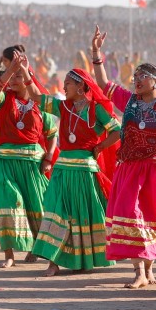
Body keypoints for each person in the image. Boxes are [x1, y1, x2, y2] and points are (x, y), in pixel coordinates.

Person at [90, 26, 156, 289]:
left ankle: (148, 268)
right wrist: (97, 53)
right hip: (130, 169)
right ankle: (139, 272)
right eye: (135, 76)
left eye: (143, 76)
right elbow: (104, 84)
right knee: (130, 215)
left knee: (151, 219)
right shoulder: (130, 101)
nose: (137, 79)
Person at [27, 55, 122, 277]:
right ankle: (53, 261)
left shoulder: (96, 109)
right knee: (56, 213)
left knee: (81, 216)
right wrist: (26, 73)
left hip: (85, 173)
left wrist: (99, 147)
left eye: (68, 84)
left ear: (81, 87)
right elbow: (36, 96)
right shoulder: (63, 107)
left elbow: (118, 130)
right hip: (62, 171)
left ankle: (82, 259)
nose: (63, 87)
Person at [0, 54, 58, 268]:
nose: (13, 80)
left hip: (32, 164)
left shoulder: (40, 105)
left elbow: (52, 132)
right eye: (12, 76)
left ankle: (34, 249)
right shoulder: (4, 100)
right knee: (8, 203)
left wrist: (48, 158)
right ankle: (9, 255)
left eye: (19, 76)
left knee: (34, 207)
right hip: (4, 162)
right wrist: (10, 70)